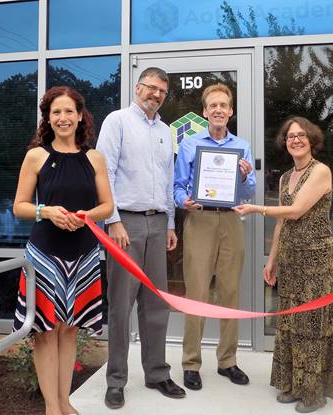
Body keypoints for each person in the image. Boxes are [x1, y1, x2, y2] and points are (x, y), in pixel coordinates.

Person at [12, 86, 114, 415]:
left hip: (83, 254)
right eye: (56, 112)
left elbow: (107, 206)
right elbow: (19, 207)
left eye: (69, 111)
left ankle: (65, 401)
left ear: (80, 115)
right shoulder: (36, 156)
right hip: (44, 254)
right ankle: (51, 406)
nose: (63, 117)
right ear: (48, 118)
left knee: (69, 331)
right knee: (45, 332)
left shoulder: (94, 157)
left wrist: (85, 217)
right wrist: (48, 211)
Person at [233, 116, 333, 413]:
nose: (296, 140)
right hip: (291, 258)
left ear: (312, 139)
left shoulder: (320, 171)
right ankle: (293, 385)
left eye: (301, 135)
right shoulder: (285, 177)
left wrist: (255, 208)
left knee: (311, 325)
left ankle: (314, 393)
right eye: (291, 136)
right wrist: (272, 259)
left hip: (316, 257)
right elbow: (282, 222)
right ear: (285, 141)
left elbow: (295, 211)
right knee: (290, 322)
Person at [96, 67, 186, 410]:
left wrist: (170, 224)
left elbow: (166, 183)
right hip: (125, 226)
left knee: (155, 304)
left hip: (157, 222)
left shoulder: (166, 131)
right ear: (137, 88)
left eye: (162, 91)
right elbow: (103, 173)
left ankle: (157, 373)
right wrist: (113, 221)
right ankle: (116, 379)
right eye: (151, 88)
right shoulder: (117, 121)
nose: (157, 94)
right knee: (121, 305)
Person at [174, 83, 256, 391]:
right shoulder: (190, 145)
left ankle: (227, 361)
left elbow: (250, 191)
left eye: (224, 105)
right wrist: (184, 202)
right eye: (213, 106)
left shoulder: (243, 146)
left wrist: (246, 176)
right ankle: (191, 363)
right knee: (196, 292)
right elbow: (178, 187)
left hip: (232, 221)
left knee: (230, 291)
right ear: (205, 112)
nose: (219, 110)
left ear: (231, 111)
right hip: (200, 218)